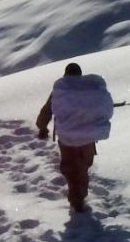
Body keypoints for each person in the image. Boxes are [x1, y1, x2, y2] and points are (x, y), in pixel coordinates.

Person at [34, 63, 113, 214]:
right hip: (88, 138)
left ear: (65, 75)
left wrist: (42, 127)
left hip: (67, 139)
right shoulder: (89, 91)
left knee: (71, 169)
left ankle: (77, 200)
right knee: (82, 167)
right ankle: (80, 197)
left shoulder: (62, 91)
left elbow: (47, 111)